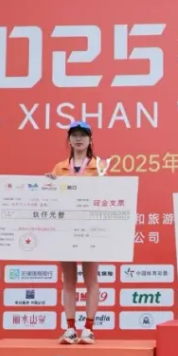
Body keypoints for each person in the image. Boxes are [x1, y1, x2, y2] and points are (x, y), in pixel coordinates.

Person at [48, 120, 105, 344]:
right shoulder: (59, 168)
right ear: (69, 140)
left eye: (83, 135)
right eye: (74, 135)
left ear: (90, 140)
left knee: (91, 279)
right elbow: (52, 199)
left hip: (90, 230)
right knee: (69, 281)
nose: (79, 138)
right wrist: (48, 185)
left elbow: (108, 196)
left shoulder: (100, 167)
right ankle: (70, 329)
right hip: (66, 229)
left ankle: (88, 329)